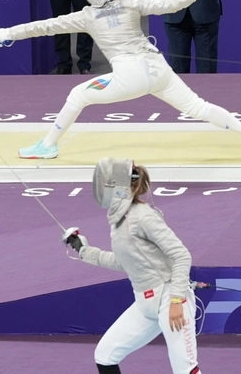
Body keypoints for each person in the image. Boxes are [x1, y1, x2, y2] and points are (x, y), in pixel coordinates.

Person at [0, 0, 241, 159]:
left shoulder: (87, 16)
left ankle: (48, 145)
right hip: (158, 70)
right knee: (198, 107)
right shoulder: (131, 3)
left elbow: (43, 27)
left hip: (129, 76)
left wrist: (4, 34)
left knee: (77, 95)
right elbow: (171, 5)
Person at [62, 159, 200, 374]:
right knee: (105, 355)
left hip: (170, 299)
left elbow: (181, 255)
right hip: (145, 303)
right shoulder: (119, 220)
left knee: (185, 370)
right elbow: (124, 261)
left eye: (107, 182)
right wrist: (83, 250)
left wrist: (176, 300)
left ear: (119, 187)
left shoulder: (143, 215)